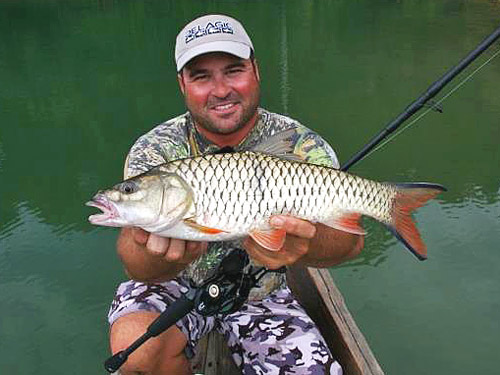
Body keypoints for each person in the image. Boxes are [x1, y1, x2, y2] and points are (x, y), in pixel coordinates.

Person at [108, 14, 364, 375]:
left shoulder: (300, 145)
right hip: (175, 287)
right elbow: (135, 266)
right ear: (182, 84)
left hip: (266, 289)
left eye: (233, 70)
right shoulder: (156, 150)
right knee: (136, 353)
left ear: (256, 70)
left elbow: (349, 245)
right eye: (201, 76)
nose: (221, 89)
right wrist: (165, 259)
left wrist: (305, 244)